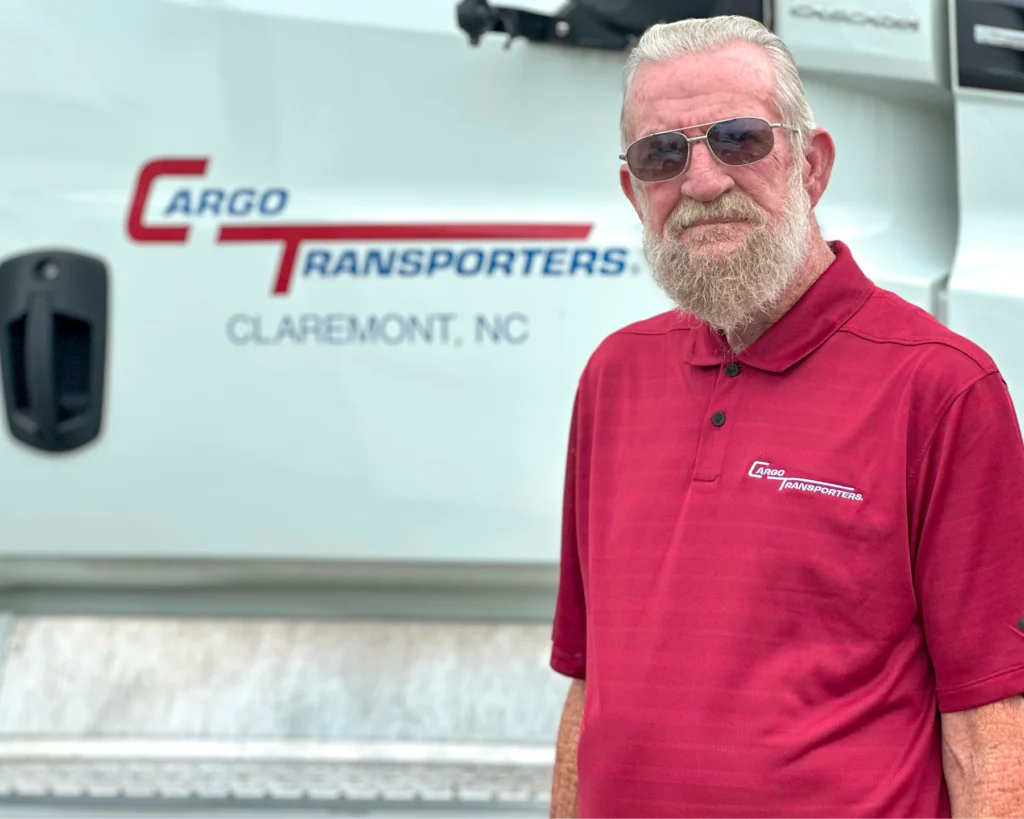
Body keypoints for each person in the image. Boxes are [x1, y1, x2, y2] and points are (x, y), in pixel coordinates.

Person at [547, 15, 1024, 819]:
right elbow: (589, 692)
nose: (702, 183)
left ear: (811, 164)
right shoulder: (612, 379)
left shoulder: (940, 388)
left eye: (739, 140)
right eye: (663, 154)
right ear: (634, 192)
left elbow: (991, 723)